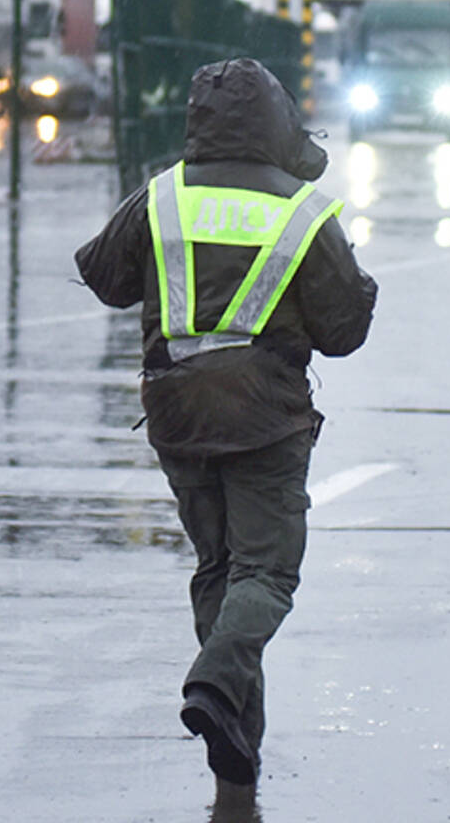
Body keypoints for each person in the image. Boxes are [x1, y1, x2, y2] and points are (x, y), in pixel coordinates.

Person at [74, 57, 377, 790]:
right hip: (265, 416)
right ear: (276, 122)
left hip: (175, 409)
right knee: (266, 571)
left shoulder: (163, 197)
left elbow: (105, 276)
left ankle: (236, 737)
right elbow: (343, 331)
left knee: (219, 569)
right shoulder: (301, 211)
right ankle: (214, 685)